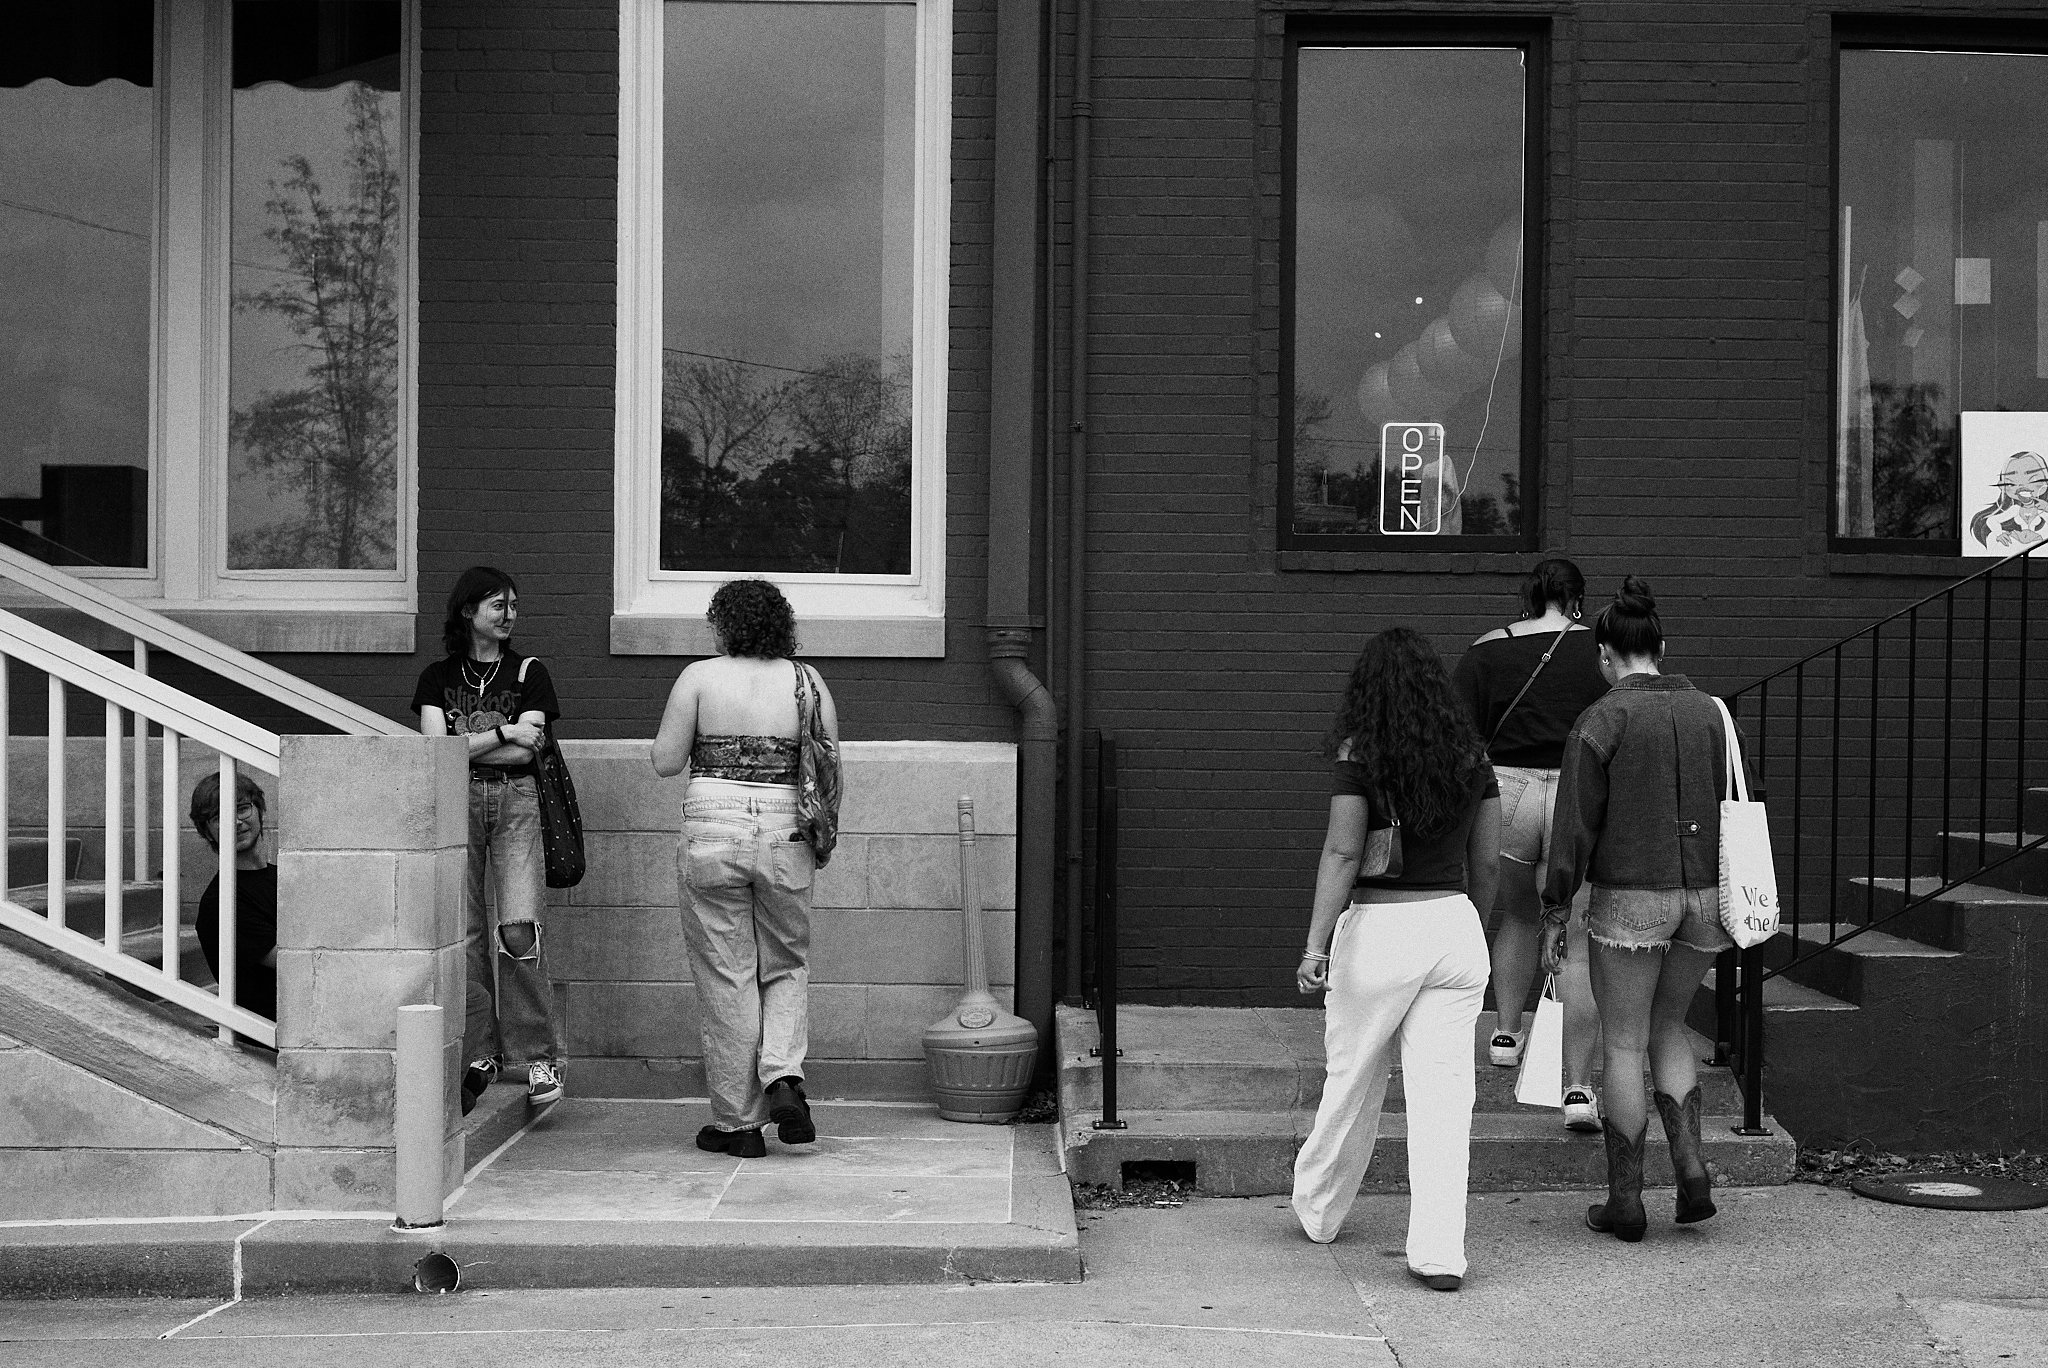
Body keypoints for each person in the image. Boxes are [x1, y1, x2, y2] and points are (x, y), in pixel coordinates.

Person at [1291, 627, 1501, 1291]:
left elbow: (1344, 854)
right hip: (1454, 927)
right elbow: (1489, 860)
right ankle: (1440, 1255)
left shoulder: (1362, 754)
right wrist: (1477, 928)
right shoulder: (1472, 755)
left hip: (1381, 931)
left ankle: (1320, 1211)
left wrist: (1315, 943)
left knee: (1353, 1078)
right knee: (1445, 1100)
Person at [1540, 577, 1733, 1242]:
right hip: (1706, 897)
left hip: (1631, 901)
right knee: (1669, 1029)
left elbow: (1573, 827)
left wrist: (1556, 906)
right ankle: (1693, 1170)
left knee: (1622, 1043)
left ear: (1604, 655)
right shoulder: (1711, 711)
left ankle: (1626, 1203)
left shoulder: (1603, 719)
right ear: (1661, 645)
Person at [652, 579, 838, 1160]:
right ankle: (784, 1077)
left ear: (724, 626)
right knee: (786, 961)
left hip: (712, 836)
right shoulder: (807, 682)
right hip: (787, 837)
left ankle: (736, 1126)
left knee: (726, 975)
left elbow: (665, 761)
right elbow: (830, 764)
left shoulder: (699, 678)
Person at [1452, 558, 1609, 1131]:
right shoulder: (1603, 651)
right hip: (1576, 790)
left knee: (1516, 915)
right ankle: (1575, 1089)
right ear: (1578, 600)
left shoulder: (1488, 649)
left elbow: (1458, 734)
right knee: (1574, 932)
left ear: (1529, 596)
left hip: (1508, 789)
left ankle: (1505, 1034)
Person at [412, 566, 565, 1114]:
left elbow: (528, 753)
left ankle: (539, 1056)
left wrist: (469, 743)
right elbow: (436, 752)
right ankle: (481, 1053)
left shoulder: (529, 672)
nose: (509, 615)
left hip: (516, 801)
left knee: (519, 926)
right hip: (457, 804)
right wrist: (502, 731)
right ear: (467, 612)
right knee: (468, 932)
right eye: (498, 606)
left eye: (513, 606)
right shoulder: (436, 677)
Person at [190, 770, 277, 1031]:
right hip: (269, 1038)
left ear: (260, 811)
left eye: (242, 809)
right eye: (219, 817)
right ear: (207, 831)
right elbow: (294, 962)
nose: (236, 822)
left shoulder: (281, 877)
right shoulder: (221, 901)